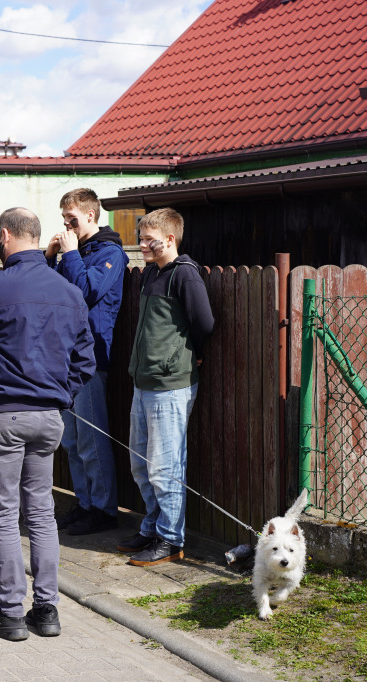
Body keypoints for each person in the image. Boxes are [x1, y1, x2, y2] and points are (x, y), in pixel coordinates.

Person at [0, 207, 95, 642]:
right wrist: (60, 396)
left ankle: (10, 612)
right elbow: (85, 360)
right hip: (48, 416)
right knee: (42, 514)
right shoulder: (68, 291)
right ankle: (46, 611)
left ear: (3, 237)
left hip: (3, 415)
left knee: (5, 515)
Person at [120, 208, 214, 567]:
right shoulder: (151, 275)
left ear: (170, 239)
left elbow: (204, 324)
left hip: (170, 386)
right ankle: (151, 527)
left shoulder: (185, 276)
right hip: (143, 383)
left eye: (148, 238)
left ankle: (171, 539)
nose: (142, 244)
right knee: (141, 464)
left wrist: (186, 356)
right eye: (141, 237)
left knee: (165, 466)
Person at [44, 188, 129, 536]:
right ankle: (85, 504)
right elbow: (50, 291)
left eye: (72, 219)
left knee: (93, 440)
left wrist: (69, 254)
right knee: (72, 440)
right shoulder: (75, 253)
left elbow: (85, 293)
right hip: (65, 357)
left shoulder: (110, 253)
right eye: (64, 219)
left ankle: (104, 510)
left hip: (92, 358)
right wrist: (50, 258)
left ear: (91, 216)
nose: (66, 225)